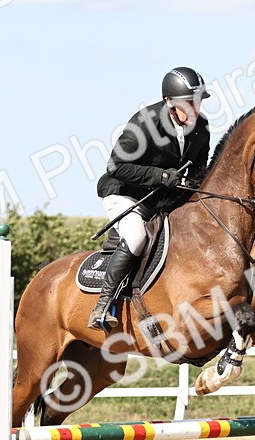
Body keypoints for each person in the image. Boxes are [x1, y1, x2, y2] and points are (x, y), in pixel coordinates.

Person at [89, 66, 212, 331]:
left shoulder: (201, 128)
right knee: (136, 237)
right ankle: (103, 305)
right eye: (189, 103)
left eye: (198, 102)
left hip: (162, 198)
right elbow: (116, 166)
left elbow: (199, 169)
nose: (195, 109)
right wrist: (161, 176)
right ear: (169, 101)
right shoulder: (146, 122)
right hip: (126, 194)